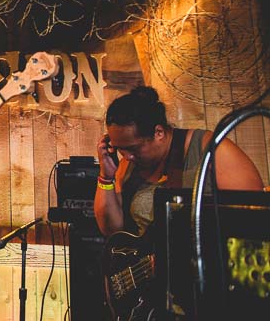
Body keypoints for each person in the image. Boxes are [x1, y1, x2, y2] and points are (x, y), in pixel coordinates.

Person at [94, 85, 264, 238]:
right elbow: (112, 230)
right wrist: (106, 178)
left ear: (159, 133)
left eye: (133, 148)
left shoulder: (213, 150)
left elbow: (253, 220)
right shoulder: (128, 164)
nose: (126, 156)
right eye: (120, 148)